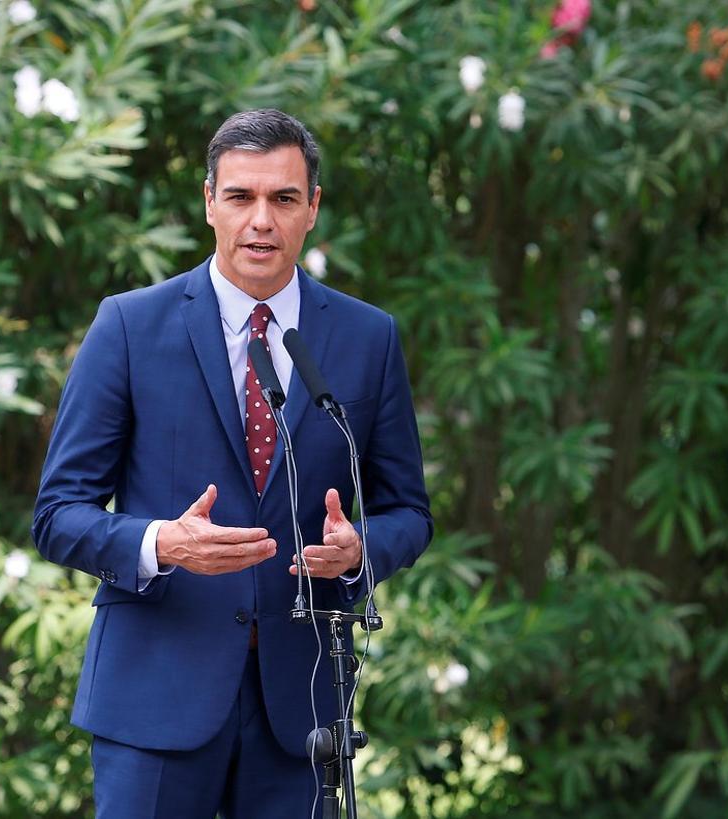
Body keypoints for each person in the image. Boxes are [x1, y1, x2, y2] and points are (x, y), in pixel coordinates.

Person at [32, 109, 433, 818]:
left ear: (312, 208)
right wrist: (161, 542)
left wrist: (355, 551)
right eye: (242, 197)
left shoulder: (368, 337)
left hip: (300, 705)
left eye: (283, 198)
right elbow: (59, 514)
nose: (261, 221)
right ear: (209, 202)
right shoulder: (128, 324)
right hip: (154, 698)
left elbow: (409, 511)